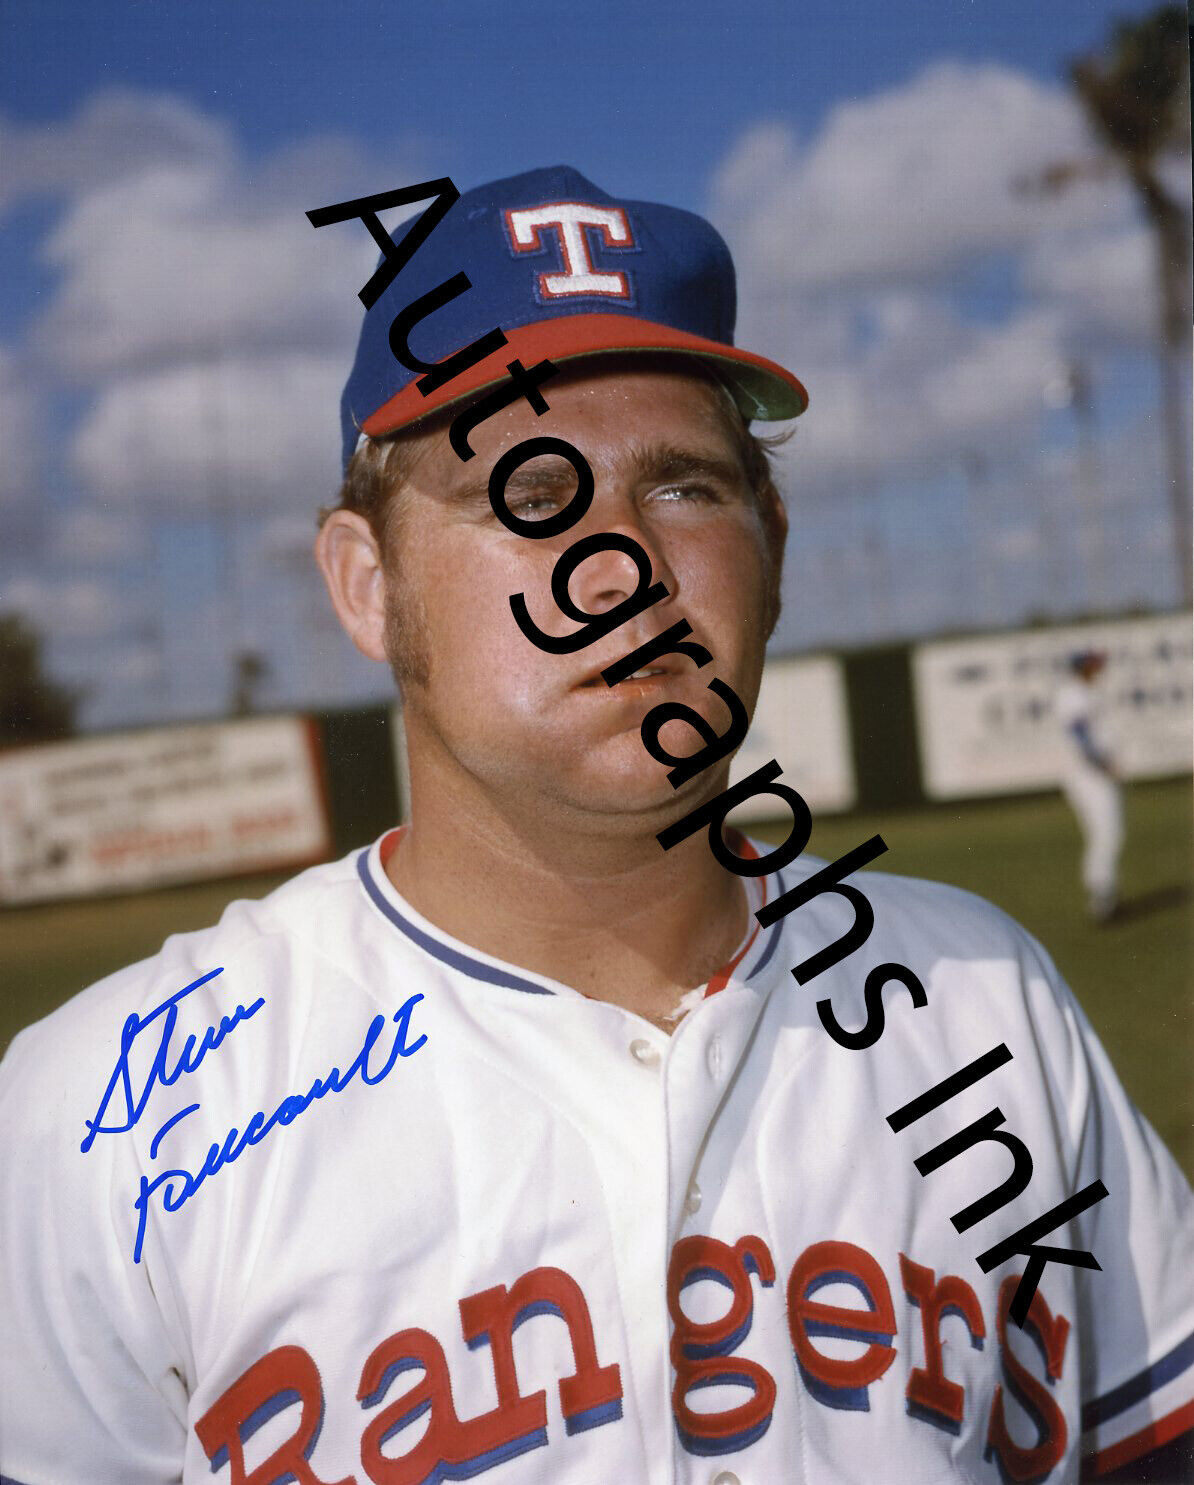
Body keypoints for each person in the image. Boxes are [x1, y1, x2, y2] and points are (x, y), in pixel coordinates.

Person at [1, 165, 1191, 1485]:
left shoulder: (982, 1008)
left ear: (771, 545)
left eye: (683, 485)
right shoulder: (103, 1122)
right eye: (525, 494)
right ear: (365, 583)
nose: (620, 560)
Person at [1056, 649, 1124, 923]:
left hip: (1091, 772)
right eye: (1093, 664)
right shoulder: (1073, 693)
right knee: (1108, 832)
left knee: (1106, 833)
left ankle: (1102, 892)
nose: (1098, 668)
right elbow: (1078, 732)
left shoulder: (1086, 691)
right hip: (1088, 773)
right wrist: (1099, 762)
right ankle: (1102, 895)